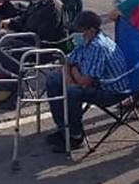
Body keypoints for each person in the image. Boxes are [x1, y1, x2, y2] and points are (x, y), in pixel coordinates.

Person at [44, 11, 129, 152]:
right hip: (91, 81)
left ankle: (76, 136)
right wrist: (70, 75)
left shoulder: (98, 46)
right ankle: (64, 129)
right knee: (53, 78)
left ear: (91, 30)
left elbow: (85, 82)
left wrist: (73, 72)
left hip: (110, 91)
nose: (75, 34)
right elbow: (66, 61)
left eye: (79, 30)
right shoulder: (85, 42)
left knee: (73, 92)